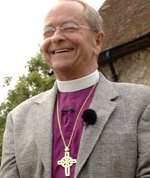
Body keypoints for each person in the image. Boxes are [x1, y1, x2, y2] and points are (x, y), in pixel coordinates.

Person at [1, 0, 150, 177]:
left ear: (97, 40)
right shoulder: (18, 119)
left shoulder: (142, 103)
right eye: (48, 32)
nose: (56, 37)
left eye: (69, 27)